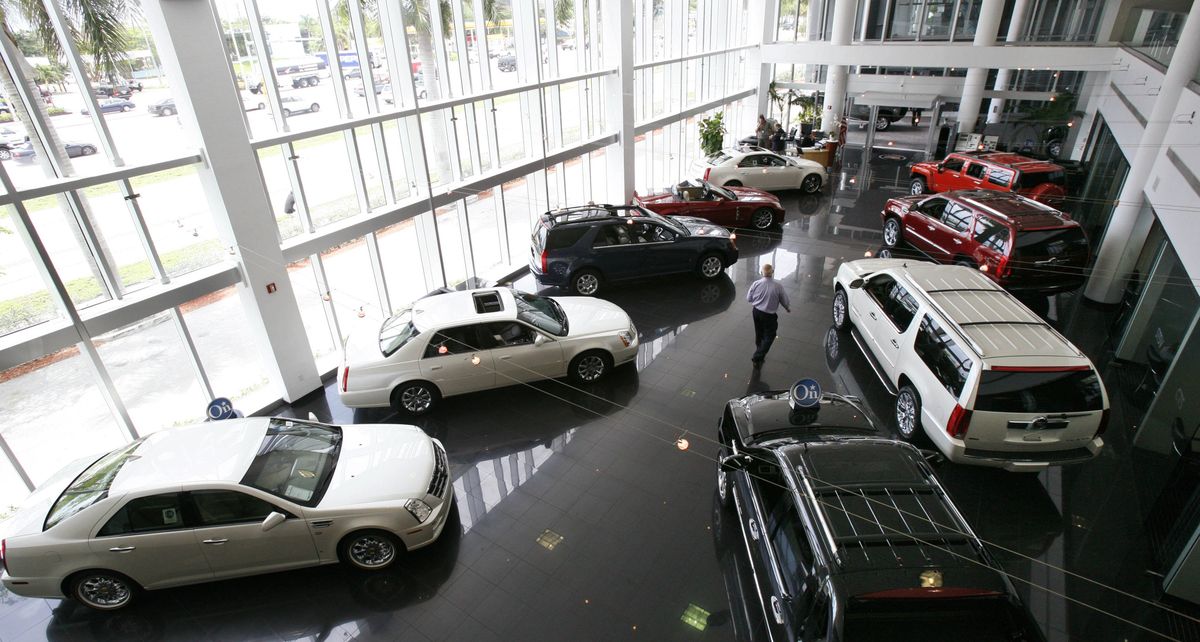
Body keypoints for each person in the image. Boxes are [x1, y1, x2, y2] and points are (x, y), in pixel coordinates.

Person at [747, 263, 790, 367]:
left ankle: (759, 348)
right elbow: (784, 300)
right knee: (770, 335)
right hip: (769, 316)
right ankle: (758, 356)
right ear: (772, 273)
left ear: (762, 272)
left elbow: (749, 298)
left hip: (756, 312)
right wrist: (787, 308)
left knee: (759, 332)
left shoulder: (756, 283)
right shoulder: (778, 286)